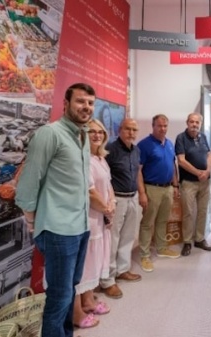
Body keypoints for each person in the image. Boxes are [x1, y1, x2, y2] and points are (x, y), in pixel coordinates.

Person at [15, 83, 94, 337]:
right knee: (59, 296)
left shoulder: (82, 137)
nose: (86, 107)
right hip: (58, 229)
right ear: (66, 102)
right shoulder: (50, 134)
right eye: (81, 101)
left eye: (91, 103)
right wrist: (31, 218)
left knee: (69, 290)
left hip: (80, 227)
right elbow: (29, 179)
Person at [73, 119, 115, 329]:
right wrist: (106, 209)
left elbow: (107, 185)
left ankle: (89, 301)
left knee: (92, 262)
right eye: (92, 132)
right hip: (87, 218)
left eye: (101, 132)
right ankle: (77, 312)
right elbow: (89, 192)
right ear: (83, 135)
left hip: (100, 218)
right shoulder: (83, 159)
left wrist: (112, 203)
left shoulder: (100, 158)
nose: (97, 135)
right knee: (82, 265)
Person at [97, 118, 144, 299]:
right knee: (113, 239)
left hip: (132, 197)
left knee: (128, 236)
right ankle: (108, 280)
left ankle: (122, 270)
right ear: (120, 129)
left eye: (134, 129)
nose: (131, 133)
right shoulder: (110, 149)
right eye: (128, 129)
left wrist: (141, 193)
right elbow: (102, 176)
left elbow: (138, 172)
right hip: (116, 199)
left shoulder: (136, 150)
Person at [137, 114, 181, 273]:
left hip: (167, 188)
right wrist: (142, 193)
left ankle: (162, 248)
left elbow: (172, 165)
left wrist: (175, 186)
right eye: (159, 126)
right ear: (153, 126)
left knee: (163, 220)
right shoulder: (144, 145)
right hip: (151, 188)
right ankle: (144, 255)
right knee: (148, 223)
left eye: (165, 126)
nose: (162, 129)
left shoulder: (169, 144)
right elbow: (138, 171)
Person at [176, 112, 211, 256]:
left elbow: (209, 155)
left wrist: (207, 170)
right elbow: (181, 160)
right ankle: (187, 241)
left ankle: (199, 239)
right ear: (187, 122)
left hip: (205, 182)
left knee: (203, 211)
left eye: (197, 122)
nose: (194, 125)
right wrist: (198, 172)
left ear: (200, 124)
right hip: (189, 183)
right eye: (192, 122)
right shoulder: (181, 138)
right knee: (188, 213)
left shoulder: (203, 137)